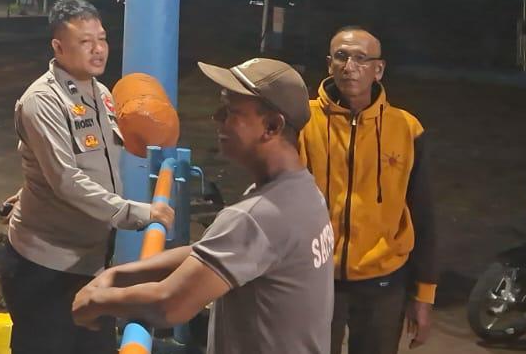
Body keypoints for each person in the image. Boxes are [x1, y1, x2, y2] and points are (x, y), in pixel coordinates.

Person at [72, 57, 334, 354]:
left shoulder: (257, 216)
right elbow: (211, 249)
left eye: (230, 111)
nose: (216, 117)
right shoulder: (303, 191)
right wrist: (119, 275)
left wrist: (94, 301)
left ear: (272, 126)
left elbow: (170, 304)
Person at [0, 0, 174, 354]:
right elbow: (67, 180)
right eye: (85, 41)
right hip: (46, 268)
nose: (98, 49)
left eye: (102, 39)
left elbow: (86, 164)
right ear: (59, 47)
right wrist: (140, 213)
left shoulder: (101, 93)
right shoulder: (42, 102)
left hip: (91, 262)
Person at [298, 27, 437, 353]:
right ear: (329, 64)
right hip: (316, 276)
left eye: (361, 59)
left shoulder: (406, 129)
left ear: (379, 69)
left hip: (384, 280)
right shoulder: (302, 121)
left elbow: (423, 215)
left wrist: (424, 295)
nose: (350, 67)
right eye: (341, 57)